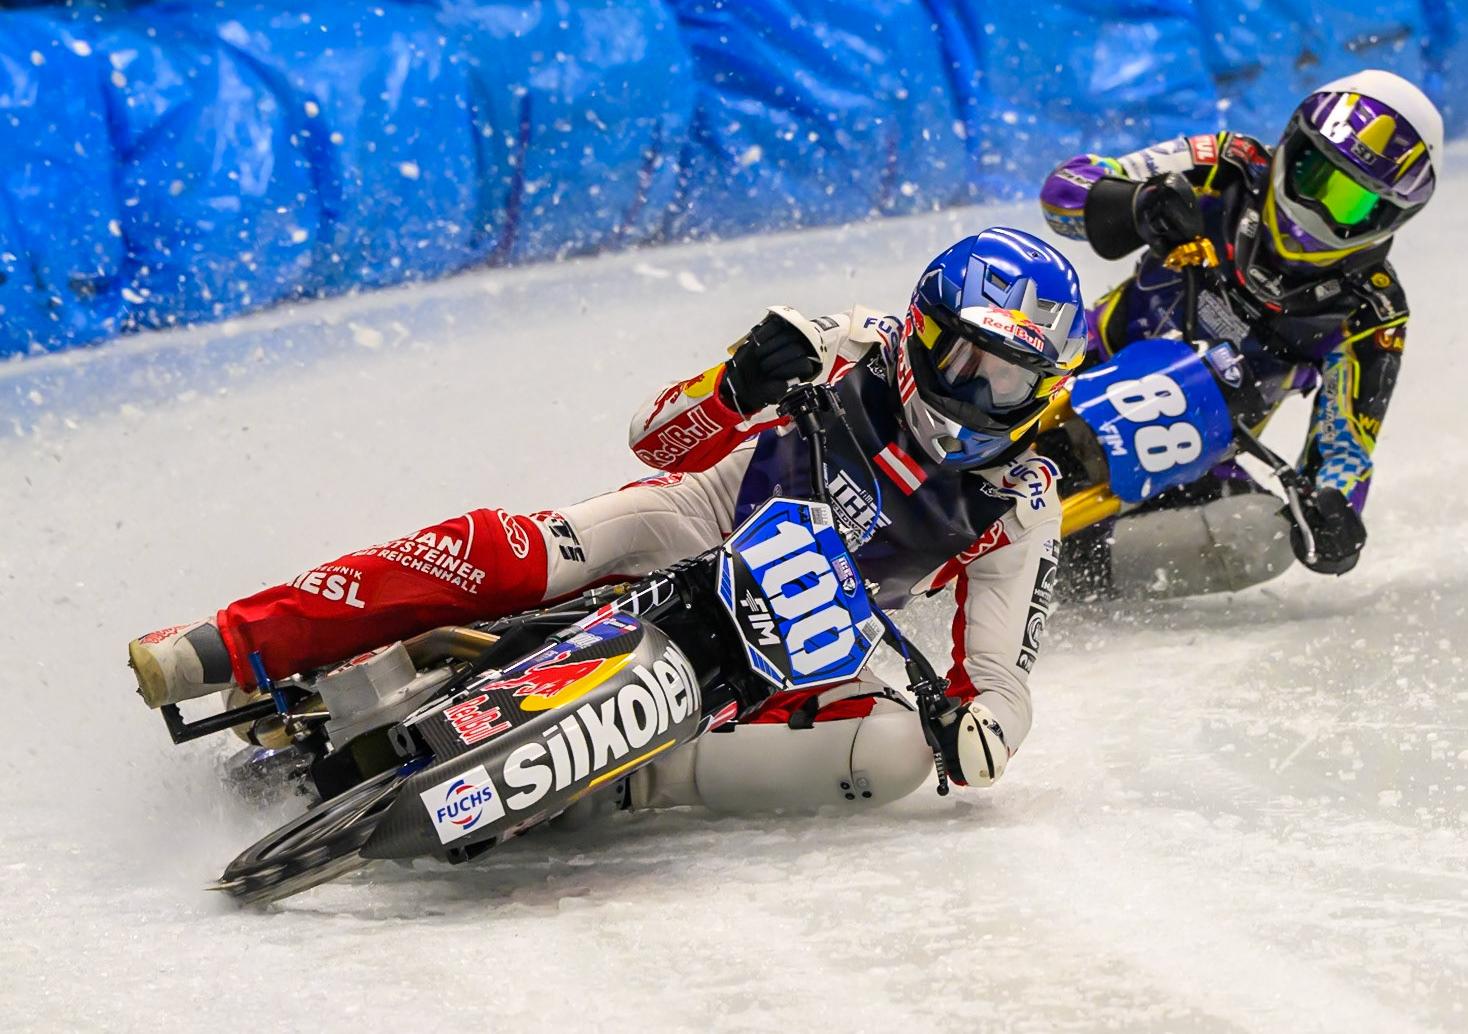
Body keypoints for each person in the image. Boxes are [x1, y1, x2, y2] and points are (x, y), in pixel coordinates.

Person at [127, 227, 1086, 813]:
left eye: (1009, 381)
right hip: (696, 518)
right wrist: (734, 384)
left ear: (1045, 390)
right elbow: (655, 439)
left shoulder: (1020, 500)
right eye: (964, 362)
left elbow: (1002, 675)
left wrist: (985, 729)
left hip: (808, 637)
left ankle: (634, 782)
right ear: (919, 332)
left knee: (896, 754)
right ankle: (230, 641)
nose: (977, 396)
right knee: (512, 546)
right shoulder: (842, 344)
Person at [1036, 70, 1441, 598]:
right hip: (1081, 362)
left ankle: (1069, 576)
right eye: (1313, 174)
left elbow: (1343, 451)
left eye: (1349, 202)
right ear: (1291, 145)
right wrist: (1139, 203)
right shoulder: (1227, 163)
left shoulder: (1371, 309)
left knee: (1261, 535)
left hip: (1188, 459)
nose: (1316, 208)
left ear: (1389, 217)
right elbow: (1065, 189)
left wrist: (1332, 515)